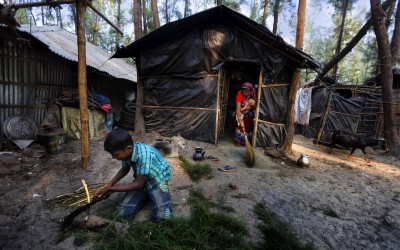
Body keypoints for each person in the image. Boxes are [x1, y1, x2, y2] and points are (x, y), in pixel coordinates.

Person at [97, 128, 173, 222]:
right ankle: (149, 195)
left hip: (156, 180)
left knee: (163, 218)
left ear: (128, 149)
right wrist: (110, 184)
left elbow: (138, 184)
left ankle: (152, 194)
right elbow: (125, 169)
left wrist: (111, 189)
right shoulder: (127, 153)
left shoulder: (144, 155)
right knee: (121, 215)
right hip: (141, 178)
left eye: (116, 155)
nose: (113, 158)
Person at [235, 82, 256, 146]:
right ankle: (238, 141)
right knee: (240, 126)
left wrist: (249, 106)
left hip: (250, 113)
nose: (246, 94)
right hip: (241, 112)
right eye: (244, 92)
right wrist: (239, 118)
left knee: (249, 126)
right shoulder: (239, 94)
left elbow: (254, 105)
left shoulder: (253, 94)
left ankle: (247, 142)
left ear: (251, 91)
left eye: (247, 92)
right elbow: (238, 109)